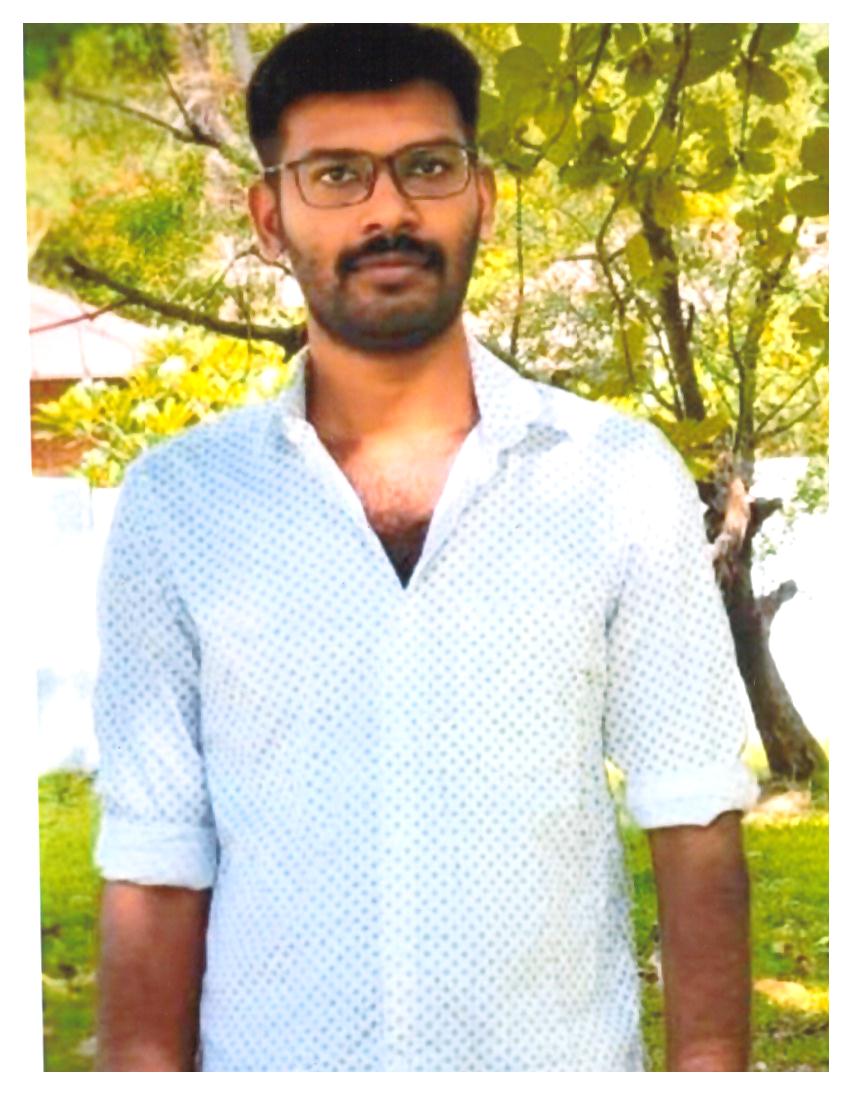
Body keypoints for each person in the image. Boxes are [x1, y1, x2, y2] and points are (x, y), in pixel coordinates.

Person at [93, 23, 758, 1073]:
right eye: (336, 174)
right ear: (269, 217)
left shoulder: (619, 478)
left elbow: (695, 814)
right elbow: (154, 859)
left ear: (481, 197)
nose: (388, 210)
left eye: (428, 167)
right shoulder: (181, 504)